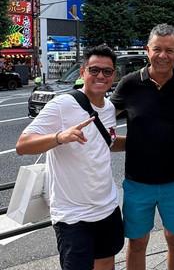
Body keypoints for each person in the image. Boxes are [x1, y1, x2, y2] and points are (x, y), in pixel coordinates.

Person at [15, 45, 125, 269]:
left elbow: (106, 144)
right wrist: (59, 137)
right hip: (73, 216)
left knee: (106, 263)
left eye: (107, 71)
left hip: (108, 207)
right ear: (82, 73)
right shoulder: (63, 104)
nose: (100, 76)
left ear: (114, 75)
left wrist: (148, 141)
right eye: (94, 70)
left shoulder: (109, 107)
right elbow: (22, 145)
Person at [111, 24, 174, 270]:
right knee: (137, 242)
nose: (163, 55)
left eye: (170, 50)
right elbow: (103, 119)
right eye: (157, 49)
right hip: (138, 181)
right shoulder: (129, 83)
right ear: (147, 50)